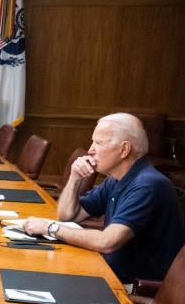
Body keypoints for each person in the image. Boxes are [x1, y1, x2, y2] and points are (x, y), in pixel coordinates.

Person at [24, 113, 185, 287]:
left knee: (39, 281)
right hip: (107, 272)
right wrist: (75, 178)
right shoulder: (116, 180)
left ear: (124, 150)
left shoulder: (148, 185)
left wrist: (50, 227)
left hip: (132, 289)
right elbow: (67, 216)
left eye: (99, 143)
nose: (90, 150)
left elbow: (106, 242)